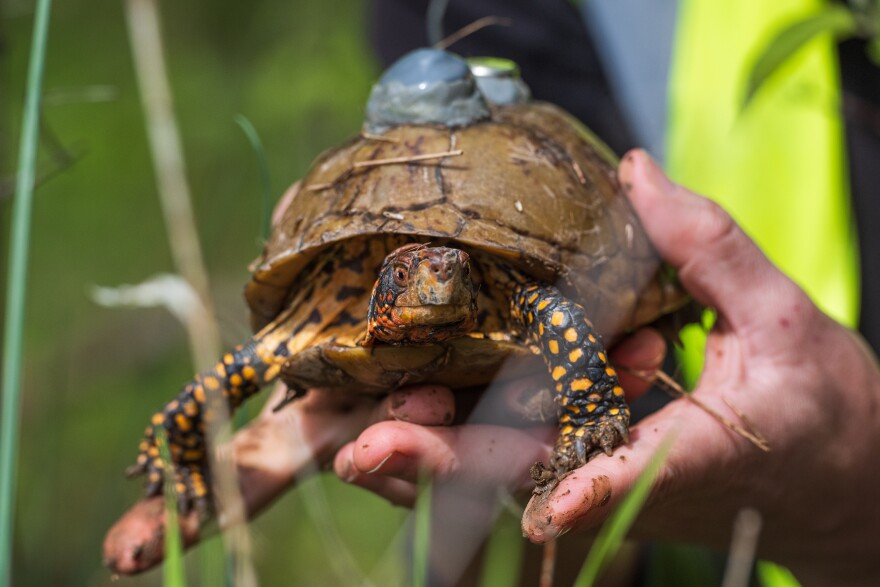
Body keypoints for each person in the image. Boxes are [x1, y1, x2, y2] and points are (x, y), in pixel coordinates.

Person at [104, 2, 880, 583]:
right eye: (412, 269)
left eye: (450, 266)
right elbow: (245, 363)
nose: (438, 273)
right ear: (382, 280)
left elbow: (553, 303)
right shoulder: (467, 12)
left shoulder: (515, 294)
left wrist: (845, 494)